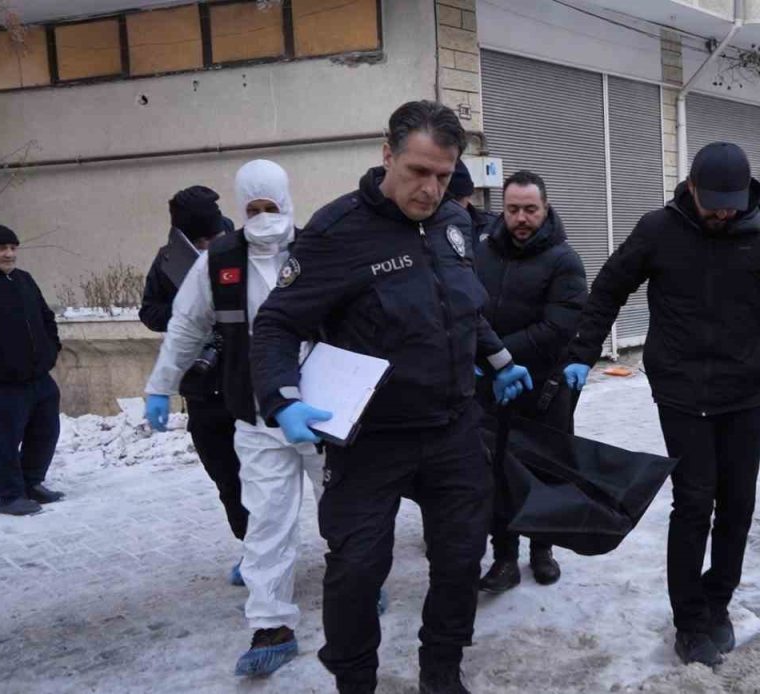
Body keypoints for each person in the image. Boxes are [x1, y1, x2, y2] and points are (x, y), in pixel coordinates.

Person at [249, 100, 534, 694]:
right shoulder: (336, 232)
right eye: (418, 171)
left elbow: (461, 305)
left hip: (453, 425)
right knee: (356, 569)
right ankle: (355, 680)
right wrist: (283, 397)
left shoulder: (456, 226)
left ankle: (442, 673)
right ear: (387, 155)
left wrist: (501, 359)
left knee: (460, 560)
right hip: (372, 437)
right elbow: (277, 323)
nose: (430, 188)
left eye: (443, 174)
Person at [562, 142, 760, 667]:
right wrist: (582, 353)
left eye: (730, 204)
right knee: (694, 504)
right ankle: (689, 622)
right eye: (713, 203)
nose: (722, 213)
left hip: (742, 391)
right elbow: (608, 289)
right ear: (691, 188)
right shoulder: (657, 231)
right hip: (681, 392)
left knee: (738, 503)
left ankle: (718, 602)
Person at [143, 161, 324, 679]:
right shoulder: (219, 259)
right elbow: (184, 325)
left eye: (272, 207)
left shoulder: (319, 251)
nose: (264, 217)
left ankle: (357, 583)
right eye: (254, 209)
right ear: (239, 208)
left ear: (288, 202)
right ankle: (271, 625)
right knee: (266, 522)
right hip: (255, 414)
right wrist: (161, 383)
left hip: (321, 412)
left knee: (343, 507)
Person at [474, 170, 588, 594]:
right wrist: (487, 362)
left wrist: (495, 351)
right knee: (497, 471)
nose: (521, 218)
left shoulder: (564, 259)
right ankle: (504, 556)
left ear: (545, 208)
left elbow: (559, 327)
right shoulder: (482, 253)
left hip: (544, 389)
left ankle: (544, 550)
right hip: (492, 387)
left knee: (545, 470)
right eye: (513, 209)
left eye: (530, 209)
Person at [140, 186, 249, 575]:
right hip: (202, 388)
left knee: (268, 476)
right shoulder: (168, 261)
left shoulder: (243, 248)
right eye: (200, 239)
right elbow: (149, 312)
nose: (209, 244)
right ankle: (251, 547)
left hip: (248, 383)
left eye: (213, 236)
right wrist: (189, 312)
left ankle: (277, 549)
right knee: (226, 478)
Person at [0, 224, 63, 516]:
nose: (9, 254)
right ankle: (10, 496)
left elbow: (46, 318)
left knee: (45, 431)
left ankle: (31, 483)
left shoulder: (23, 280)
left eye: (13, 248)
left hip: (37, 375)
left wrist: (50, 349)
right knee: (3, 438)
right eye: (1, 248)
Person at [447, 158, 494, 245]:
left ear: (469, 196)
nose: (455, 208)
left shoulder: (492, 226)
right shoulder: (431, 229)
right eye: (450, 202)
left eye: (458, 199)